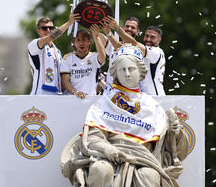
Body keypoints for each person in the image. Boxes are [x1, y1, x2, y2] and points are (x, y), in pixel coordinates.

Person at [60, 44, 189, 187]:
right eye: (122, 70)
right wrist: (107, 149)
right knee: (100, 169)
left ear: (140, 71)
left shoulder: (152, 106)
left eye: (131, 69)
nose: (127, 74)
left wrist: (175, 132)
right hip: (110, 156)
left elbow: (169, 147)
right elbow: (93, 137)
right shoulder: (105, 101)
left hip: (143, 159)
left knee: (149, 176)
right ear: (116, 73)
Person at [103, 16, 166, 96]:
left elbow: (134, 43)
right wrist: (108, 33)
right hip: (142, 97)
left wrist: (117, 28)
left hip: (155, 97)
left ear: (159, 40)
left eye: (152, 37)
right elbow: (119, 47)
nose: (148, 39)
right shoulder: (141, 50)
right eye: (146, 36)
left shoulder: (157, 52)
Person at [28, 12, 80, 95]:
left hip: (56, 96)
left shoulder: (57, 51)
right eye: (44, 28)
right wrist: (69, 23)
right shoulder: (34, 45)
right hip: (40, 95)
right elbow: (50, 37)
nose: (48, 30)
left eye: (51, 28)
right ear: (38, 31)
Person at [60, 24, 106, 99]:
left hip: (90, 99)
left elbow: (103, 57)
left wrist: (96, 36)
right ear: (74, 43)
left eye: (84, 40)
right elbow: (65, 82)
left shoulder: (94, 57)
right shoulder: (67, 58)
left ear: (90, 42)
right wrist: (76, 92)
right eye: (78, 40)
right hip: (71, 99)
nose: (81, 43)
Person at [100, 16, 141, 94]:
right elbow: (100, 37)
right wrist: (96, 25)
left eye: (133, 27)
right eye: (127, 26)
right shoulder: (113, 45)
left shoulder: (139, 48)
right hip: (110, 94)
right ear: (123, 28)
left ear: (138, 31)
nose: (129, 28)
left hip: (128, 95)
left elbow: (121, 47)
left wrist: (114, 29)